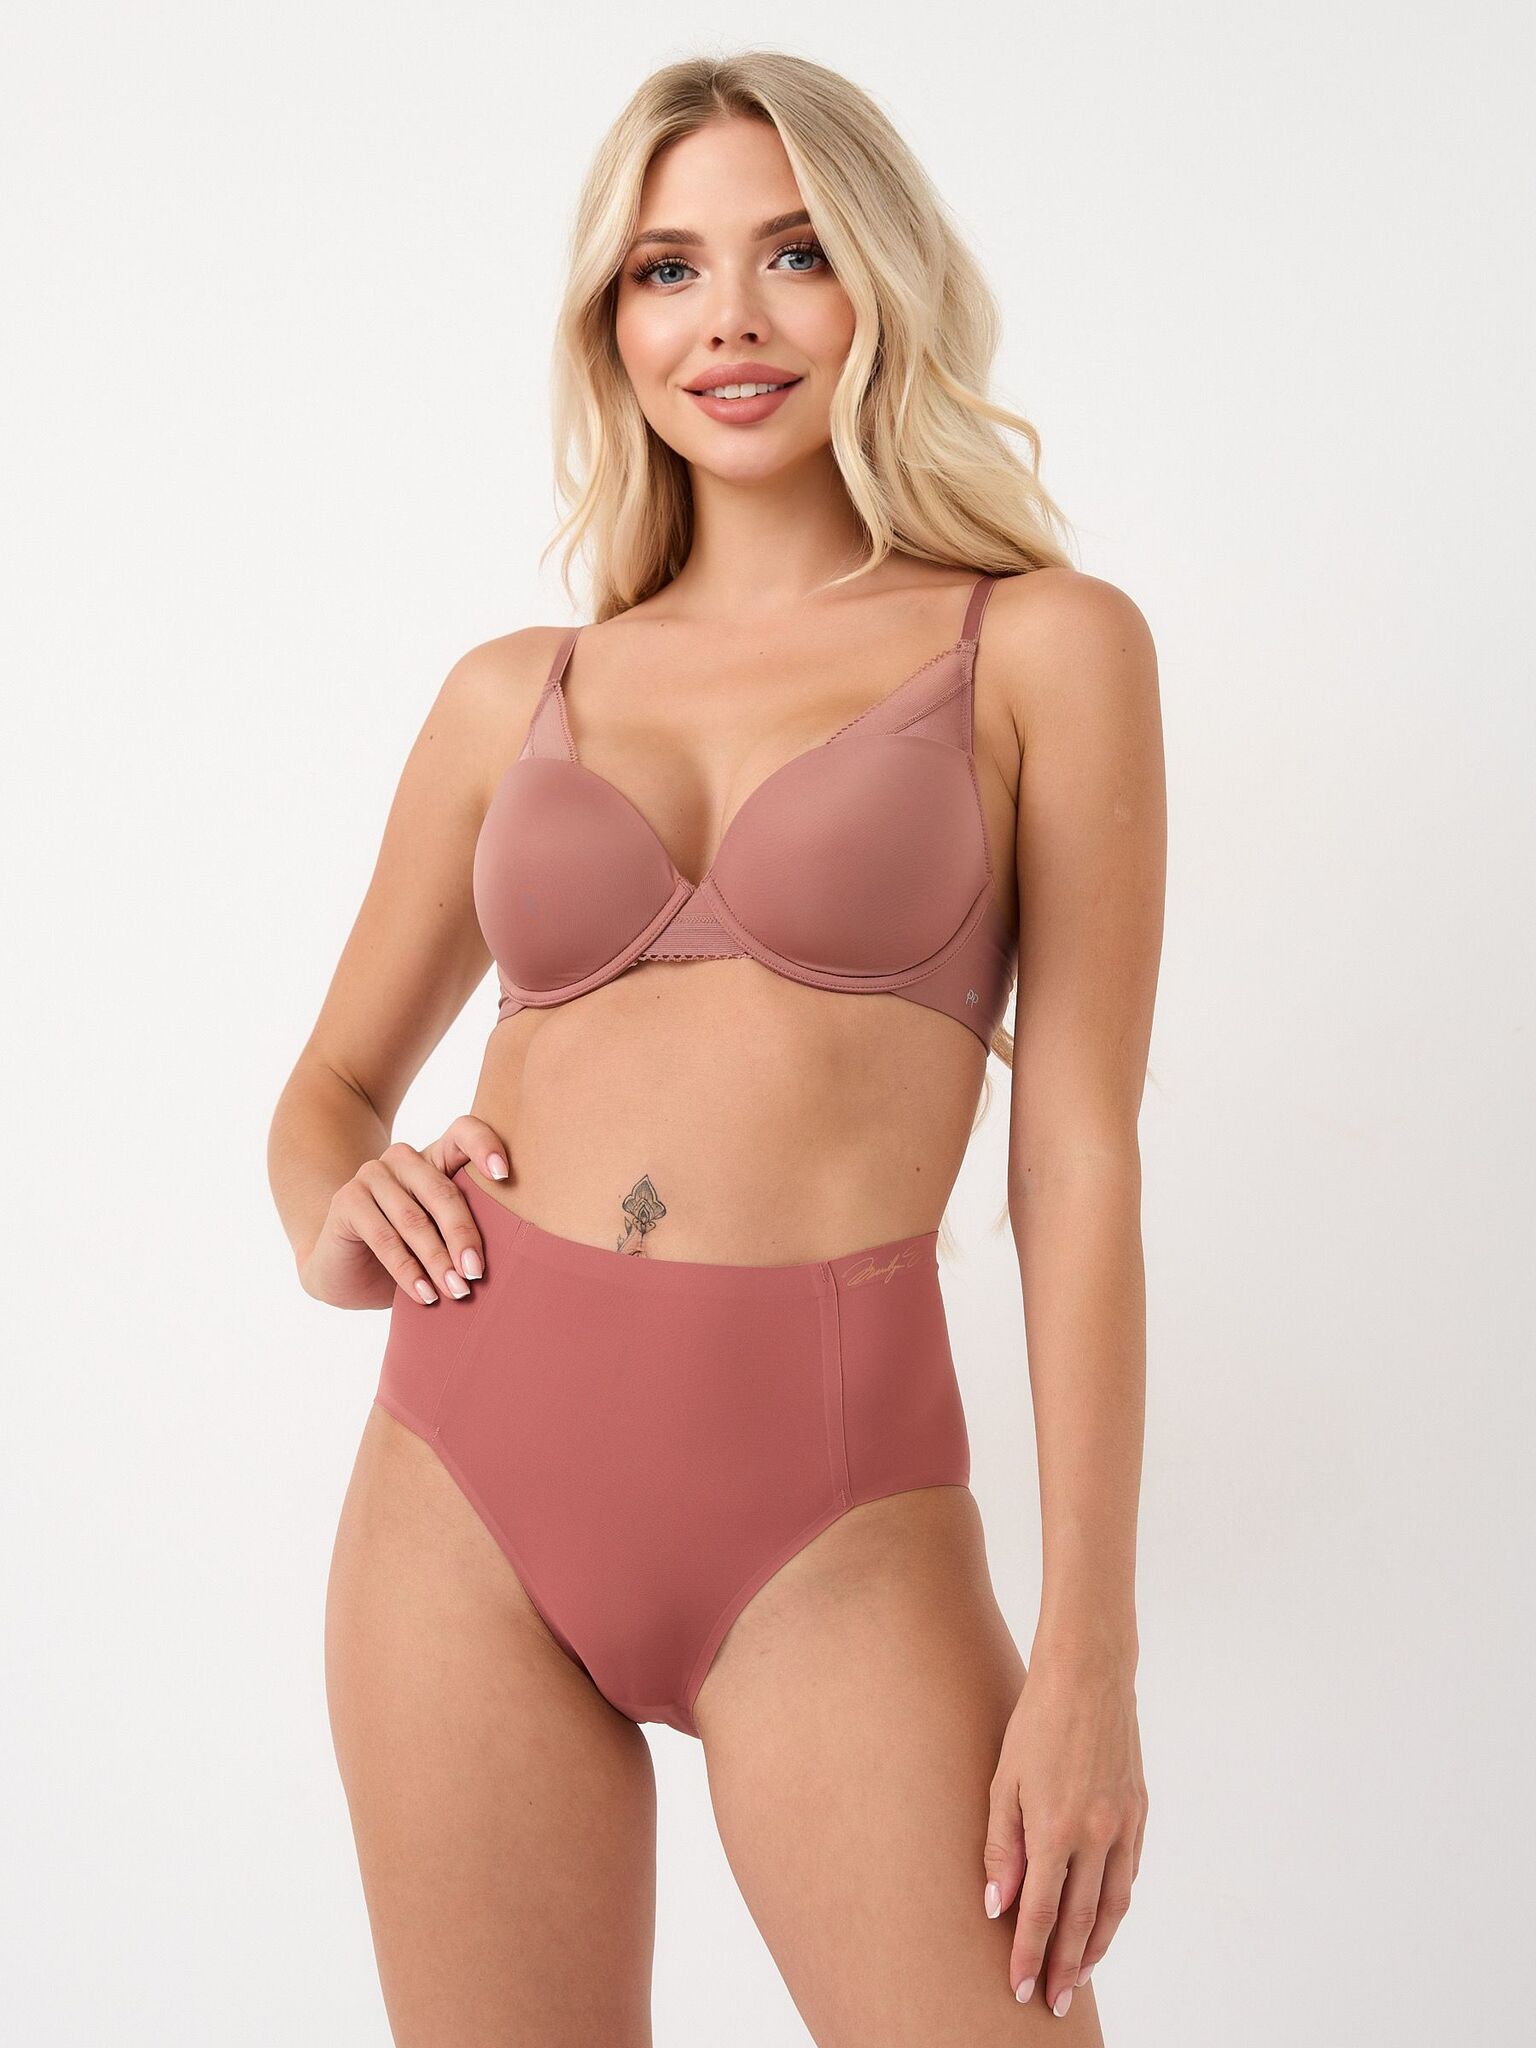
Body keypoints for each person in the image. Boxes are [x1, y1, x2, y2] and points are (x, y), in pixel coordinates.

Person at [267, 49, 1163, 2046]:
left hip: (833, 1522)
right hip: (459, 1482)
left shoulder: (1042, 645)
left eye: (795, 253)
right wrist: (338, 1213)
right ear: (614, 323)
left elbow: (1078, 1153)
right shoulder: (514, 692)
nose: (729, 318)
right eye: (667, 269)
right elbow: (324, 1095)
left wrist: (1089, 1651)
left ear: (886, 284)